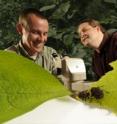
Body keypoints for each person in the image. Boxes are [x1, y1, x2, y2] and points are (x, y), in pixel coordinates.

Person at [6, 8, 61, 75]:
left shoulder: (51, 54)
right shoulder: (7, 58)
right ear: (20, 29)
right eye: (35, 32)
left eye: (45, 33)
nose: (41, 39)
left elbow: (61, 79)